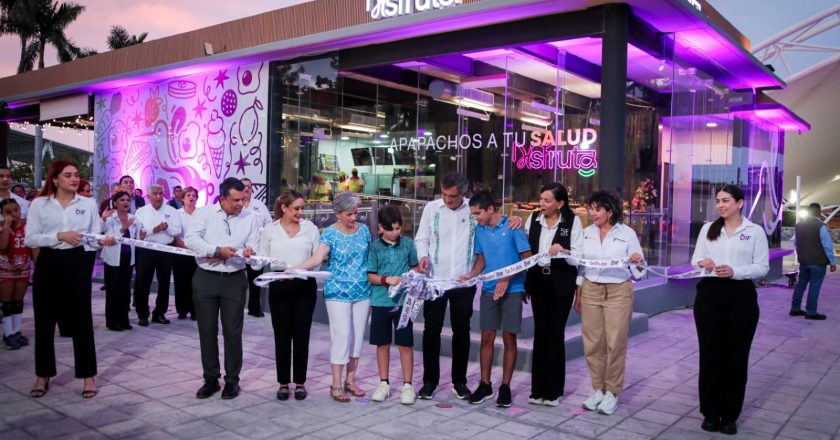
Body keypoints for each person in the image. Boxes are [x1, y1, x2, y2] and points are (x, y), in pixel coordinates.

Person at [413, 172, 523, 400]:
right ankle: (429, 382)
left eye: (452, 196)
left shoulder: (473, 211)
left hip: (464, 281)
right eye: (444, 194)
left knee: (461, 332)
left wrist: (517, 219)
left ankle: (459, 382)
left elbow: (495, 221)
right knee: (431, 330)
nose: (447, 200)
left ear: (463, 194)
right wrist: (422, 256)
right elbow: (421, 238)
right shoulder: (431, 208)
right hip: (435, 281)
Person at [24, 160, 117, 399]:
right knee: (44, 322)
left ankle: (88, 376)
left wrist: (103, 240)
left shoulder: (87, 203)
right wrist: (59, 236)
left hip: (77, 264)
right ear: (55, 179)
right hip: (48, 263)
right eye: (68, 175)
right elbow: (31, 239)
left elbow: (92, 237)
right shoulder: (39, 205)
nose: (75, 179)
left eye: (76, 175)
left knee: (82, 321)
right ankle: (43, 374)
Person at [692, 185, 769, 435]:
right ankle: (711, 413)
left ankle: (730, 415)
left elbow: (762, 267)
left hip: (741, 297)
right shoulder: (708, 229)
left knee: (736, 358)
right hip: (709, 295)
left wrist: (736, 272)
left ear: (740, 203)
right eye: (717, 201)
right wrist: (703, 262)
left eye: (726, 200)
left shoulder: (754, 231)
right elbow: (696, 260)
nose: (721, 205)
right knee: (710, 355)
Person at [185, 177, 261, 400]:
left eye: (243, 199)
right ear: (222, 199)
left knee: (232, 332)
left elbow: (254, 250)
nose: (241, 204)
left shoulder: (251, 218)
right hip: (205, 279)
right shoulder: (204, 214)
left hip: (235, 280)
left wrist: (250, 253)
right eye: (236, 200)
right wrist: (216, 250)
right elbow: (190, 239)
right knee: (206, 331)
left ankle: (232, 381)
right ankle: (210, 379)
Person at [294, 192, 371, 403]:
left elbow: (369, 258)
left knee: (356, 338)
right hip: (337, 291)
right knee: (342, 335)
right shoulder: (329, 233)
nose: (353, 218)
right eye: (349, 214)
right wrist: (293, 269)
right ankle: (336, 383)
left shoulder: (364, 230)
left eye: (355, 213)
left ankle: (350, 381)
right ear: (338, 214)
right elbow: (317, 258)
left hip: (362, 291)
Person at [457, 192, 531, 407]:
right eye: (473, 214)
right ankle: (485, 384)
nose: (475, 218)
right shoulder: (479, 230)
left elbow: (527, 259)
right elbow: (481, 258)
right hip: (489, 289)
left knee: (509, 338)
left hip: (514, 288)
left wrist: (507, 279)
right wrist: (471, 275)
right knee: (486, 337)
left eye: (477, 213)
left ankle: (505, 387)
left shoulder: (513, 226)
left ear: (490, 209)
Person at [575, 189, 645, 416]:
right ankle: (598, 388)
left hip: (618, 292)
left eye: (597, 209)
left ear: (610, 210)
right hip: (591, 291)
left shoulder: (627, 234)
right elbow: (581, 265)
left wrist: (638, 261)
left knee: (615, 344)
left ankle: (612, 393)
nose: (592, 213)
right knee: (592, 344)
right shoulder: (586, 233)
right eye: (590, 208)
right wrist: (579, 290)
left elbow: (639, 272)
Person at [256, 190, 320, 401]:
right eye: (296, 208)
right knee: (282, 335)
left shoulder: (310, 229)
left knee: (302, 335)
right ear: (283, 207)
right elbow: (261, 260)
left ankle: (300, 382)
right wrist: (249, 256)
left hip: (304, 287)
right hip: (279, 287)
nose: (300, 212)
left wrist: (298, 270)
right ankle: (283, 382)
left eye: (302, 208)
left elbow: (316, 259)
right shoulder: (270, 231)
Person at [524, 182, 583, 406]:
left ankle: (554, 391)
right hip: (539, 280)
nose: (542, 204)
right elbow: (526, 250)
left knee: (555, 334)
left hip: (561, 283)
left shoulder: (572, 222)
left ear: (560, 203)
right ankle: (537, 389)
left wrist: (564, 251)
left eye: (547, 200)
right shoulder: (534, 220)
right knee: (540, 333)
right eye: (541, 199)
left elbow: (579, 256)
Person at [367, 205, 419, 405]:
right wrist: (386, 280)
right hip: (380, 302)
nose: (396, 233)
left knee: (405, 344)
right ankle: (384, 383)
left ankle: (407, 385)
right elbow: (370, 276)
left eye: (398, 228)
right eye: (391, 229)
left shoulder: (408, 244)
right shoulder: (374, 248)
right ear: (381, 227)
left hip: (404, 303)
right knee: (383, 344)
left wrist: (415, 275)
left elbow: (415, 269)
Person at [134, 184, 182, 326]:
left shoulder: (172, 211)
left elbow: (176, 230)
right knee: (143, 282)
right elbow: (139, 233)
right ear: (148, 196)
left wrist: (165, 229)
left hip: (165, 249)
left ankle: (159, 313)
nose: (158, 197)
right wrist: (154, 229)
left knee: (164, 282)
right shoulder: (141, 212)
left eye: (160, 193)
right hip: (146, 250)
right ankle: (142, 314)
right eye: (155, 194)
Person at [790, 203, 837, 320]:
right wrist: (832, 261)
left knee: (801, 285)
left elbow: (796, 243)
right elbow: (827, 246)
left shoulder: (799, 225)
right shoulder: (820, 226)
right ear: (818, 212)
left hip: (804, 262)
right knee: (814, 287)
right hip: (818, 263)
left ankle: (795, 309)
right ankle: (811, 312)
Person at [100, 191, 139, 331]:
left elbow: (139, 236)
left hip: (128, 258)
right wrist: (105, 219)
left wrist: (144, 234)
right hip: (112, 258)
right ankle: (112, 321)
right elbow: (101, 231)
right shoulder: (110, 217)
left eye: (128, 200)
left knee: (125, 290)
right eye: (122, 200)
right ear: (115, 203)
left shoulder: (134, 218)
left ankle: (124, 320)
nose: (126, 202)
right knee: (113, 290)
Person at [0, 198, 35, 349]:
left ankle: (16, 331)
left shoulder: (28, 226)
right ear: (2, 214)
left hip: (23, 268)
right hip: (6, 269)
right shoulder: (2, 227)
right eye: (8, 212)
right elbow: (3, 245)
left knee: (18, 302)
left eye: (16, 210)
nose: (14, 214)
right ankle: (8, 334)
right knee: (7, 303)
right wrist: (6, 226)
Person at [241, 178, 273, 318]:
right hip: (237, 249)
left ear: (252, 188)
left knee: (255, 280)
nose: (247, 189)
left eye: (249, 186)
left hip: (255, 249)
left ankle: (255, 308)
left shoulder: (260, 206)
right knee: (239, 281)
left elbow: (269, 224)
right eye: (244, 186)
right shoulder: (236, 205)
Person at [173, 186, 199, 320]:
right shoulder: (176, 214)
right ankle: (182, 310)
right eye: (188, 195)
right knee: (181, 282)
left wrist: (196, 248)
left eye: (193, 195)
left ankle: (195, 310)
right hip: (181, 252)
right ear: (182, 198)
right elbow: (175, 237)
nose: (191, 197)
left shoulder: (201, 213)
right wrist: (186, 247)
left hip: (198, 253)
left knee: (196, 283)